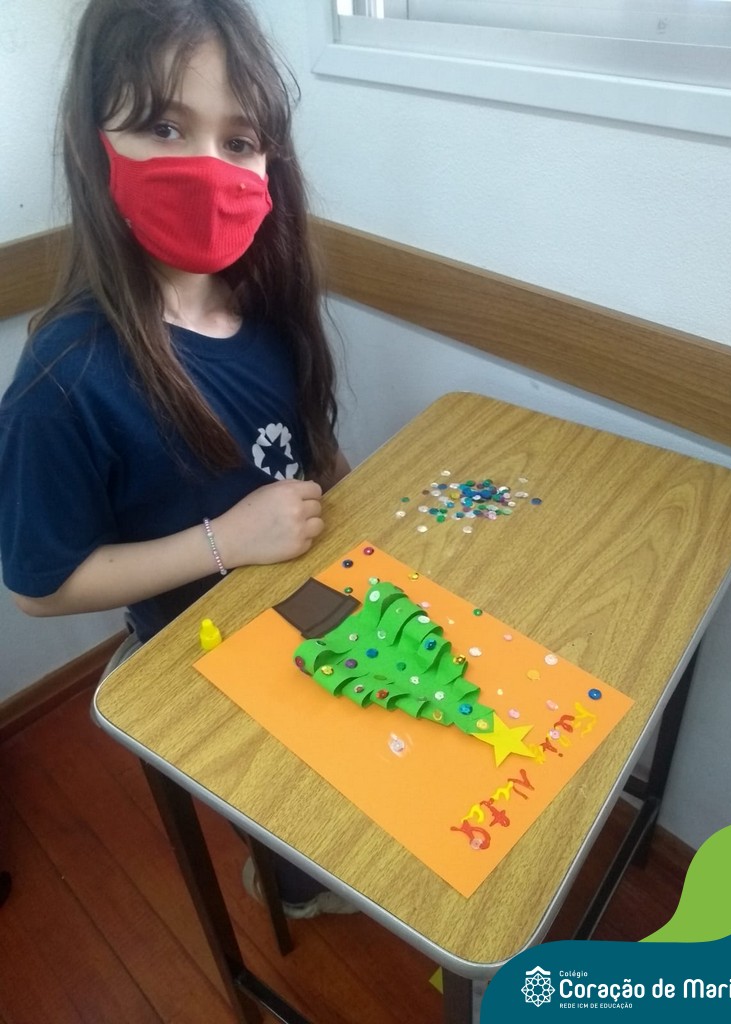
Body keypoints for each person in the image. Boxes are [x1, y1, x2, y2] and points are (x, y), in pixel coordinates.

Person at [0, 0, 352, 917]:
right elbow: (40, 586)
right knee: (281, 801)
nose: (208, 166)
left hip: (307, 605)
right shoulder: (63, 380)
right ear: (93, 140)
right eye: (164, 126)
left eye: (239, 141)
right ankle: (291, 884)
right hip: (201, 652)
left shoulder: (266, 302)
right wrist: (226, 541)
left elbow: (305, 446)